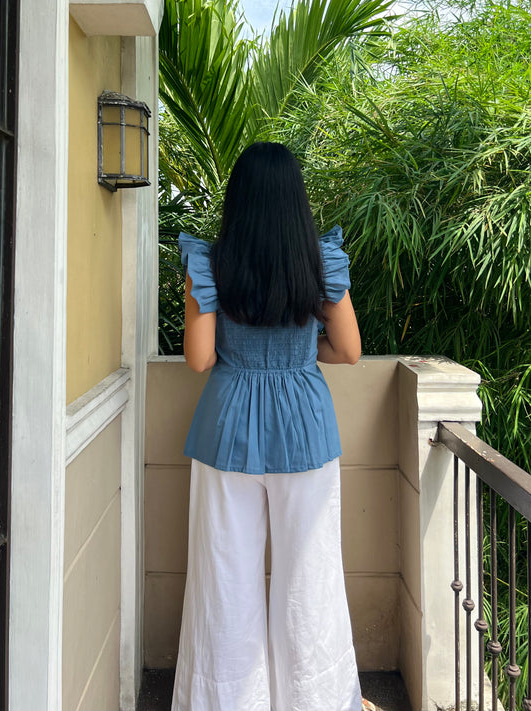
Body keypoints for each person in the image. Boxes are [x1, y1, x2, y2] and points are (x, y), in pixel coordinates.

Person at [171, 142, 362, 711]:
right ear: (295, 202)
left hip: (226, 430)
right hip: (305, 430)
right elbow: (349, 351)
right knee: (312, 581)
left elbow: (201, 360)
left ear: (239, 201)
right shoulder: (319, 262)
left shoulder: (210, 264)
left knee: (223, 580)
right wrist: (302, 353)